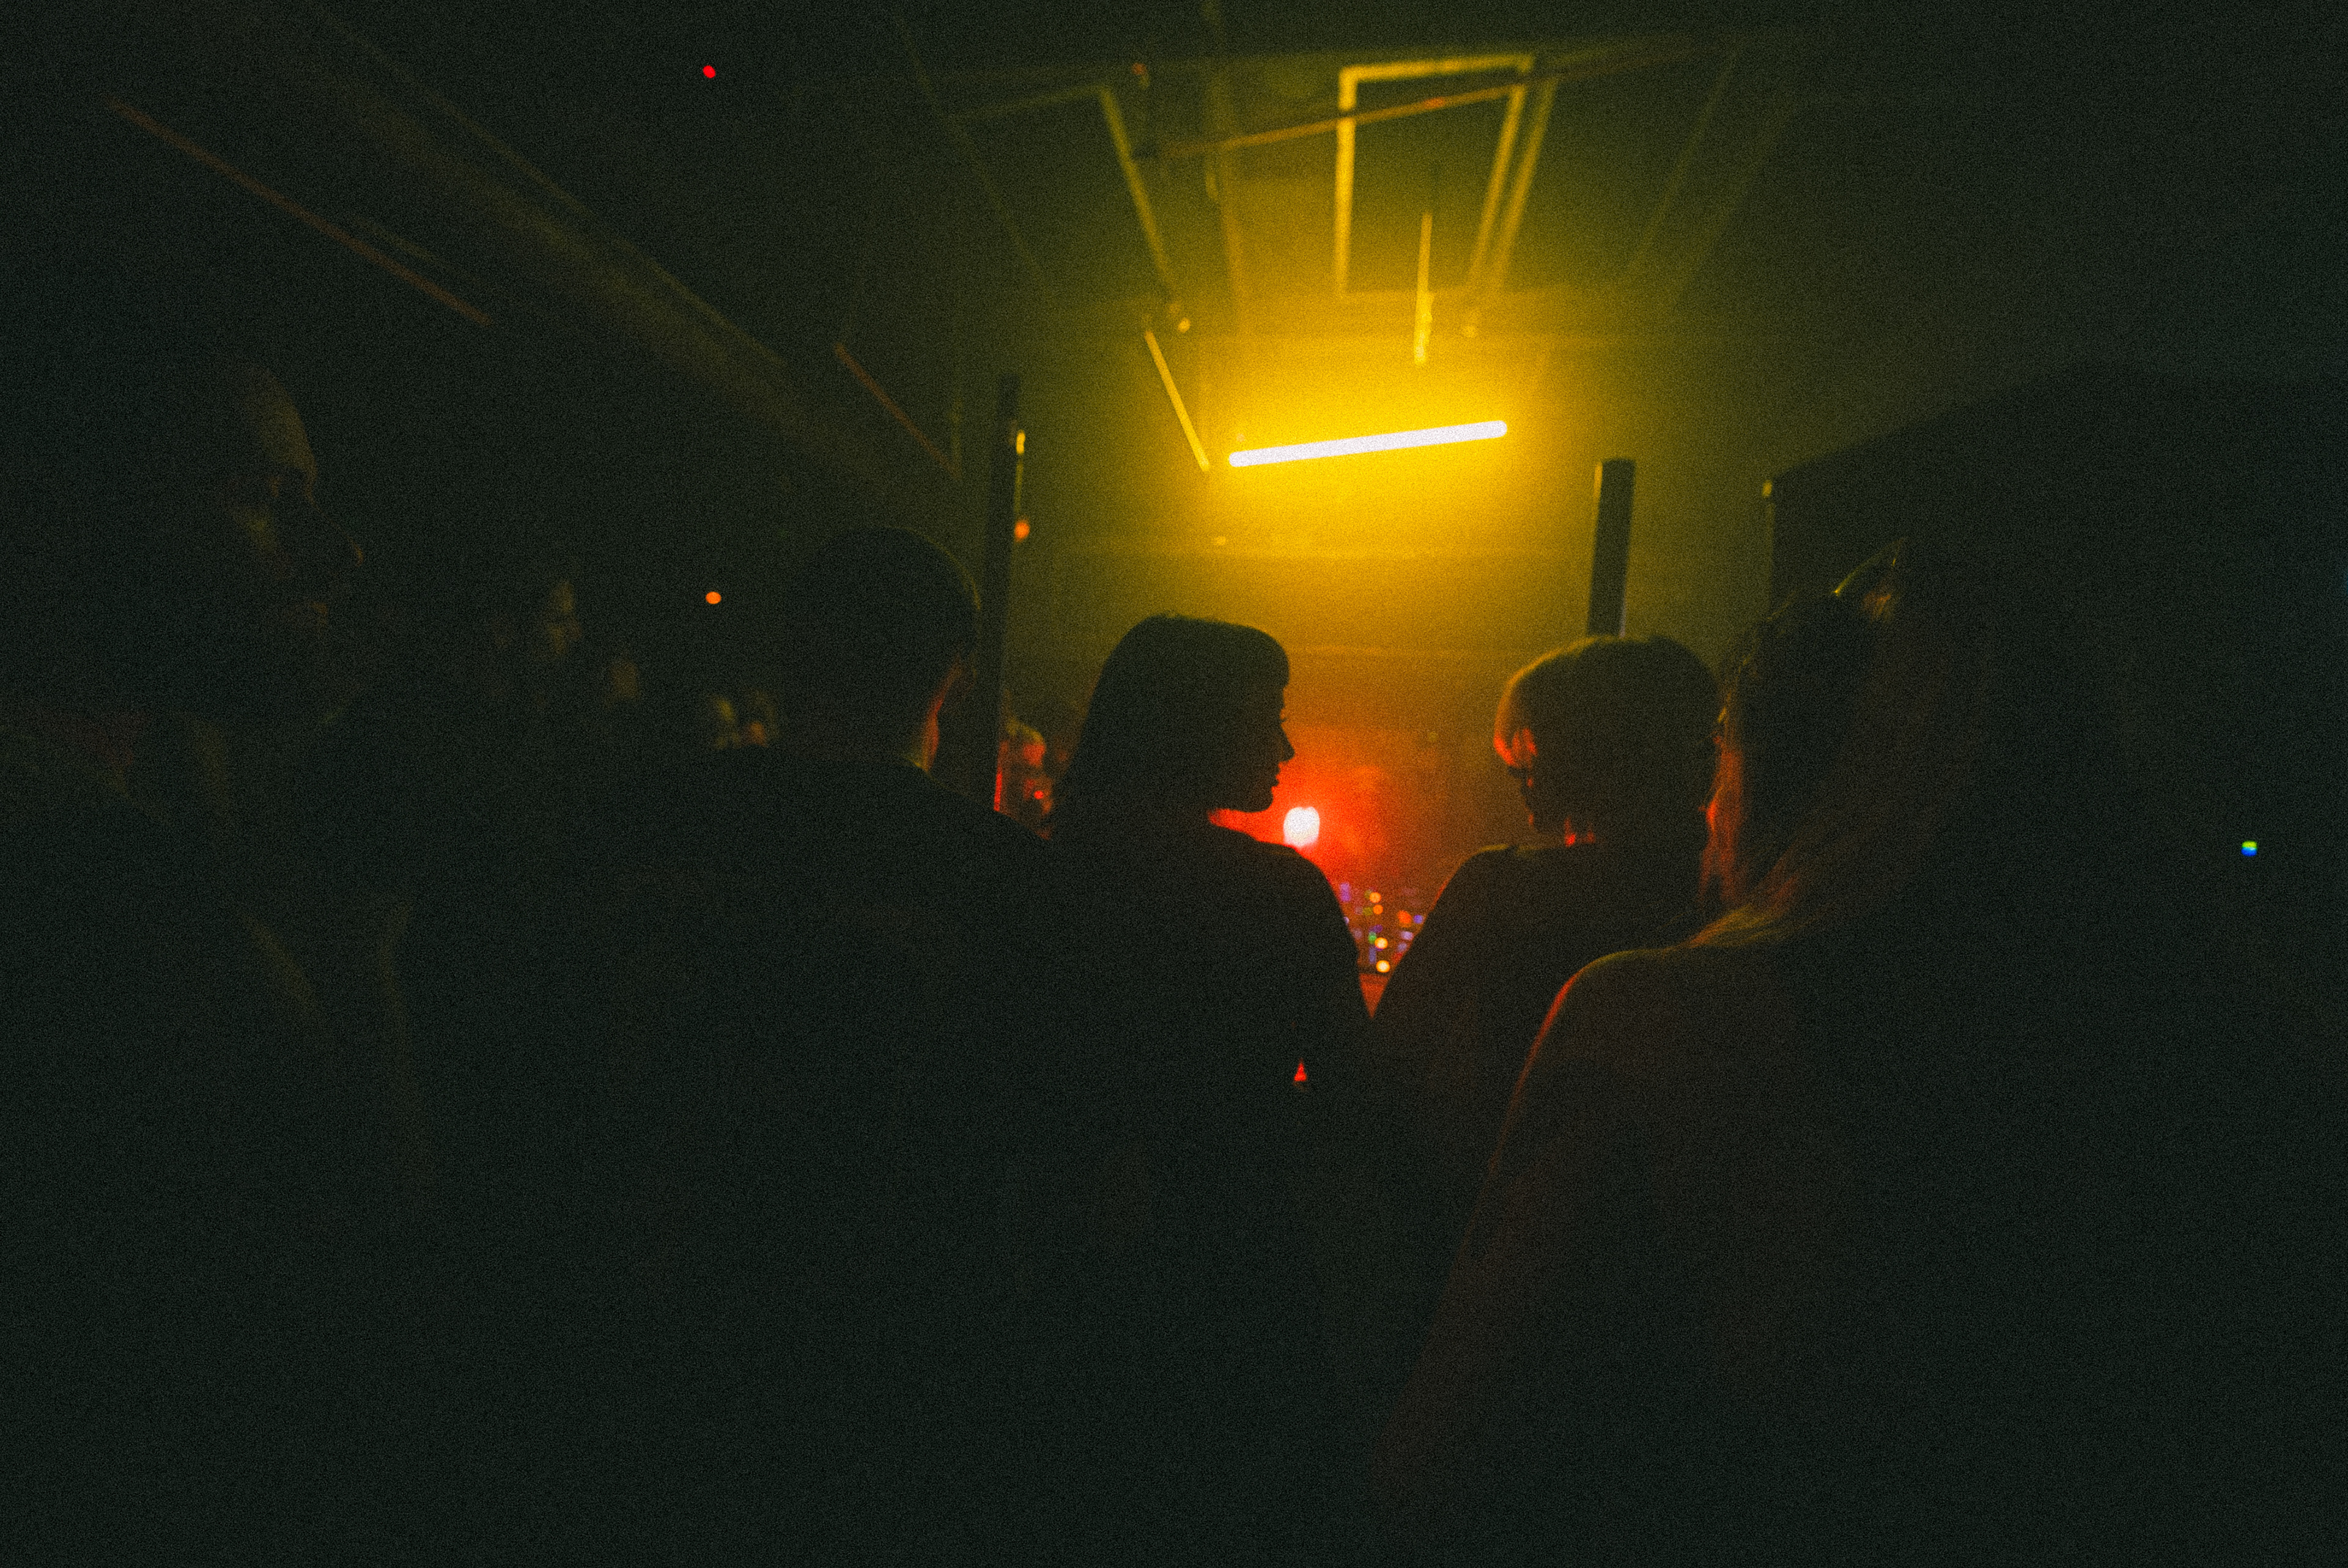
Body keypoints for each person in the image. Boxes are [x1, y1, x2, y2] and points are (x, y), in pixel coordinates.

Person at [1373, 541, 2272, 1561]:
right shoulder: (2199, 1026)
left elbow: (1451, 1449)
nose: (1705, 804)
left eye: (1721, 753)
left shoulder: (1659, 1011)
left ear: (1786, 775)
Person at [0, 302, 412, 1556]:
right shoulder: (102, 905)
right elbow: (340, 1318)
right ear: (52, 516)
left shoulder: (170, 811)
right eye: (261, 496)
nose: (336, 550)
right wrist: (351, 966)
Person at [567, 526, 1065, 1561]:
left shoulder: (641, 817)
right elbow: (1038, 1130)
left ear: (791, 651)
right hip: (892, 1335)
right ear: (954, 673)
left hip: (652, 1296)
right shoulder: (998, 877)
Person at [1046, 614, 1390, 1565]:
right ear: (1195, 725)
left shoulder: (1039, 877)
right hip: (1238, 1270)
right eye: (1267, 715)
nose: (1284, 746)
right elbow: (1359, 1098)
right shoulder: (1278, 894)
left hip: (1055, 1269)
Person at [1367, 635, 1719, 1340]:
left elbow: (1388, 1062)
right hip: (1681, 1249)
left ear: (1561, 752)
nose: (1518, 782)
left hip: (1487, 1222)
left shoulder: (1501, 889)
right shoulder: (1736, 900)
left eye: (1521, 763)